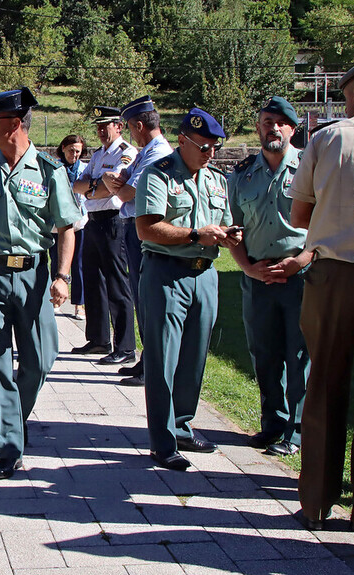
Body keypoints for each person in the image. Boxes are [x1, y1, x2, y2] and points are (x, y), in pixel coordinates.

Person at [0, 88, 80, 479]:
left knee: (41, 358)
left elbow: (67, 228)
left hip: (35, 275)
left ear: (16, 125)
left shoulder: (48, 170)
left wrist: (63, 275)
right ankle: (8, 444)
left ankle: (13, 419)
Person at [289, 57, 354, 532]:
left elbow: (300, 216)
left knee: (324, 384)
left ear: (353, 95)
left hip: (330, 274)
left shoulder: (327, 138)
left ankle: (316, 502)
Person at [134, 107, 242, 471]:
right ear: (182, 140)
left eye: (214, 146)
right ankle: (162, 442)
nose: (210, 153)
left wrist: (227, 236)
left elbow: (224, 223)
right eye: (203, 146)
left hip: (205, 273)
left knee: (195, 357)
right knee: (163, 359)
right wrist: (196, 234)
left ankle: (182, 425)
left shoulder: (217, 180)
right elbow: (147, 228)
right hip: (167, 273)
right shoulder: (157, 175)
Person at [227, 96, 310, 457]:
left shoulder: (310, 168)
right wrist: (247, 267)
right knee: (264, 354)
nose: (272, 127)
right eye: (265, 121)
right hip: (257, 276)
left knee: (300, 355)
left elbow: (324, 226)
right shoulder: (242, 175)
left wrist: (302, 260)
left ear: (292, 128)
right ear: (257, 128)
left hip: (301, 276)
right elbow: (233, 230)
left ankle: (297, 432)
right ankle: (272, 425)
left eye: (280, 121)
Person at [102, 95, 174, 387]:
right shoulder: (146, 151)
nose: (131, 134)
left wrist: (115, 185)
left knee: (147, 300)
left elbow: (128, 192)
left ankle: (153, 368)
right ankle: (147, 360)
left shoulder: (158, 153)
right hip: (132, 227)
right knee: (140, 297)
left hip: (143, 228)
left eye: (130, 128)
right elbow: (121, 179)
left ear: (140, 125)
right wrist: (116, 182)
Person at [71, 106, 138, 365]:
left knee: (117, 284)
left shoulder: (126, 154)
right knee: (93, 280)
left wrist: (93, 189)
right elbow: (78, 185)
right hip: (93, 221)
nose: (101, 131)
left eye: (105, 126)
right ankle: (98, 339)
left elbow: (113, 187)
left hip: (114, 222)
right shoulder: (98, 155)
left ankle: (125, 346)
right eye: (98, 126)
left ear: (119, 126)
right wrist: (95, 188)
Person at [52, 135, 88, 320]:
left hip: (78, 223)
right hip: (57, 223)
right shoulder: (54, 167)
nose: (74, 155)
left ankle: (79, 305)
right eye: (71, 150)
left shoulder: (84, 169)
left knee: (78, 264)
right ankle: (55, 299)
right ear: (63, 148)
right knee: (56, 261)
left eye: (78, 152)